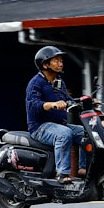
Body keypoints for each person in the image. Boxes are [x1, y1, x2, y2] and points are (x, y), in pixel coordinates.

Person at [26, 46, 85, 184]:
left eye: (61, 60)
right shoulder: (35, 83)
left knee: (86, 133)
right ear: (45, 64)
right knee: (64, 134)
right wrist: (51, 104)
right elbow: (33, 104)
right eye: (56, 60)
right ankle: (62, 174)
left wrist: (86, 102)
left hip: (59, 125)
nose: (60, 63)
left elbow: (68, 100)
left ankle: (83, 169)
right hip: (40, 127)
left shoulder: (59, 82)